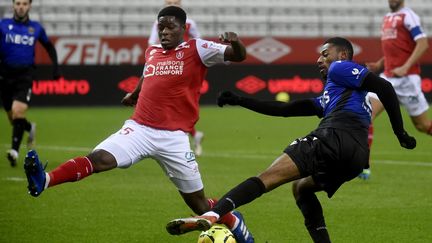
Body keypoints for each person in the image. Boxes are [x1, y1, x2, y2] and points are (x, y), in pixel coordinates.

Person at [24, 6, 254, 243]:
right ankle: (45, 180)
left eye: (169, 27)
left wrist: (235, 42)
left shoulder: (197, 48)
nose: (164, 32)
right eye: (160, 27)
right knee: (100, 159)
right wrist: (135, 92)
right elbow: (148, 72)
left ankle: (233, 221)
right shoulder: (152, 51)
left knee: (199, 204)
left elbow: (239, 55)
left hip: (174, 137)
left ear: (183, 29)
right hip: (140, 128)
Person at [166, 37, 417, 242]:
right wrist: (240, 100)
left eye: (325, 54)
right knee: (302, 187)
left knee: (266, 178)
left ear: (342, 56)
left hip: (333, 137)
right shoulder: (334, 96)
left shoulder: (341, 68)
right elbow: (285, 109)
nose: (319, 59)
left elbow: (385, 87)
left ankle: (212, 214)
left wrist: (400, 132)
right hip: (356, 156)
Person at [360, 0, 431, 180]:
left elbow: (422, 43)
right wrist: (379, 64)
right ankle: (363, 165)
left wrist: (406, 67)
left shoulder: (408, 16)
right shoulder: (387, 18)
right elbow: (396, 48)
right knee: (364, 113)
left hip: (407, 80)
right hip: (388, 78)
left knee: (423, 126)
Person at [0, 0, 60, 167]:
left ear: (29, 6)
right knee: (13, 118)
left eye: (24, 3)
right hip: (5, 76)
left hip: (25, 76)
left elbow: (49, 47)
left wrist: (55, 69)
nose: (21, 6)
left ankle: (14, 151)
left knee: (18, 111)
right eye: (18, 3)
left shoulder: (36, 28)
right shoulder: (3, 25)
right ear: (13, 5)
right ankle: (29, 127)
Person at [148, 0, 204, 156]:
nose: (173, 3)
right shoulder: (158, 23)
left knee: (178, 100)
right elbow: (152, 42)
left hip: (183, 65)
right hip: (164, 63)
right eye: (170, 2)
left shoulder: (189, 23)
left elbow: (198, 40)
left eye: (175, 1)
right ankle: (191, 135)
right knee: (170, 102)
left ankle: (185, 136)